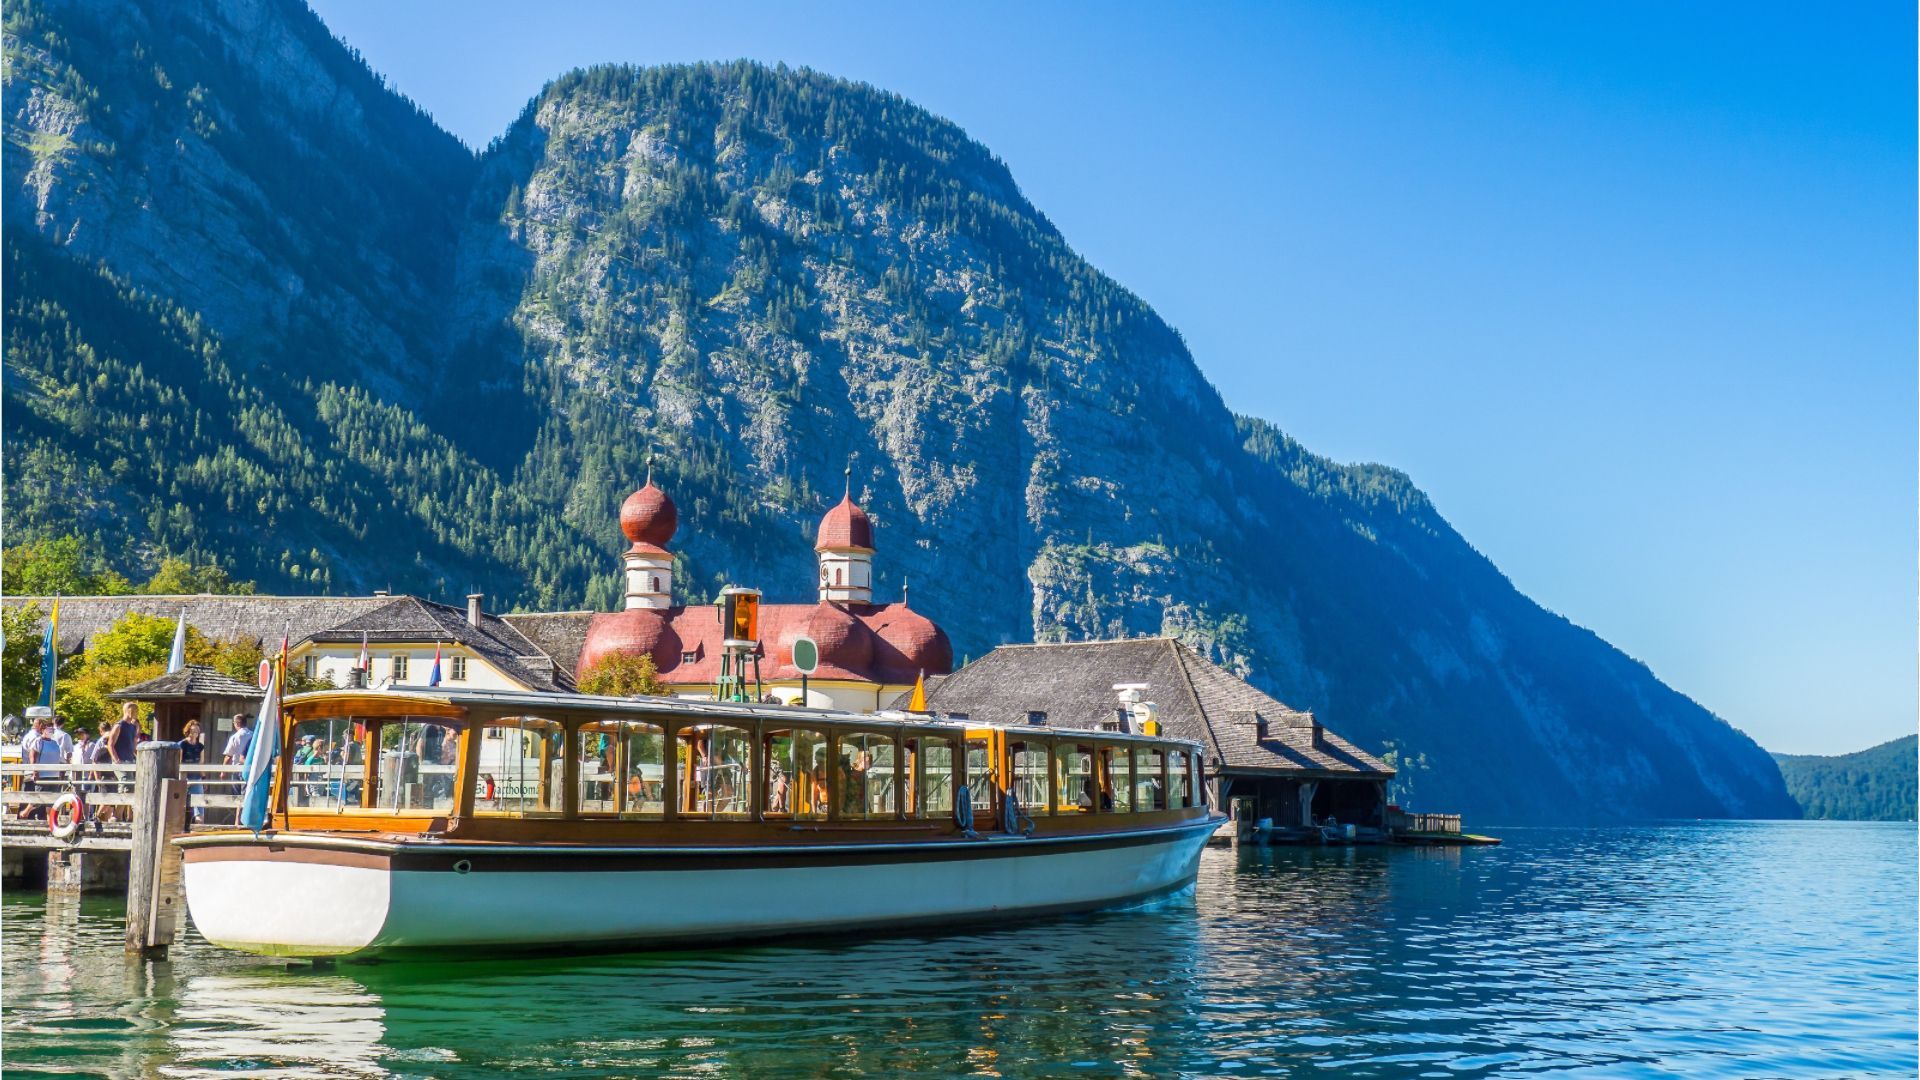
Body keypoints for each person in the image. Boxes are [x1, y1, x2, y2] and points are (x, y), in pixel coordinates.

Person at [106, 703, 141, 822]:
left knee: (131, 787)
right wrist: (116, 760)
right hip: (120, 760)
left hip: (130, 760)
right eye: (133, 710)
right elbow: (110, 744)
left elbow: (133, 745)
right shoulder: (119, 725)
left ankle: (119, 815)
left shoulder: (133, 727)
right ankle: (116, 815)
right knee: (125, 784)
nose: (135, 712)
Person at [181, 719, 206, 823]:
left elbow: (201, 763)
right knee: (181, 805)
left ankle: (198, 830)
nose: (195, 732)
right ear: (188, 731)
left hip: (196, 778)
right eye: (193, 730)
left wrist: (203, 778)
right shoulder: (182, 744)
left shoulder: (200, 746)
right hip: (184, 778)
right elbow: (179, 762)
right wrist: (182, 778)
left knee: (199, 807)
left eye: (197, 730)